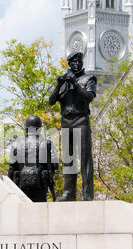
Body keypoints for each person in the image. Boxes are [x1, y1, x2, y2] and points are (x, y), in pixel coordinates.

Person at [49, 52, 97, 201]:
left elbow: (89, 97)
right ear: (69, 64)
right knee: (68, 158)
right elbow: (51, 101)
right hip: (66, 121)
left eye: (79, 61)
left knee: (85, 158)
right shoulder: (63, 82)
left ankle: (87, 193)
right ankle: (69, 193)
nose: (76, 64)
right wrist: (58, 83)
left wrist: (75, 84)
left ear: (81, 63)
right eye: (73, 62)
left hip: (81, 119)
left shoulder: (88, 79)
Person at [8, 116, 59, 202]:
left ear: (26, 128)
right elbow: (55, 165)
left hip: (20, 186)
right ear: (39, 128)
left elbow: (11, 167)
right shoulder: (47, 143)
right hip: (40, 185)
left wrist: (9, 186)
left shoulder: (16, 143)